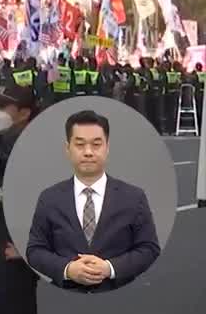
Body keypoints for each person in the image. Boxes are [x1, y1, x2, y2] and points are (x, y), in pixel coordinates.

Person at [25, 110, 161, 293]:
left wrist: (110, 268)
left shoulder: (134, 197)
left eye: (96, 144)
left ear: (107, 147)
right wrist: (67, 269)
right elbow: (35, 250)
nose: (88, 152)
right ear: (68, 148)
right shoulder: (49, 198)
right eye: (80, 144)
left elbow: (149, 248)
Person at [0, 85, 38, 314]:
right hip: (4, 235)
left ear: (24, 113)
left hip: (15, 242)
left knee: (10, 302)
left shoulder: (26, 146)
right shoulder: (13, 141)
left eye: (4, 106)